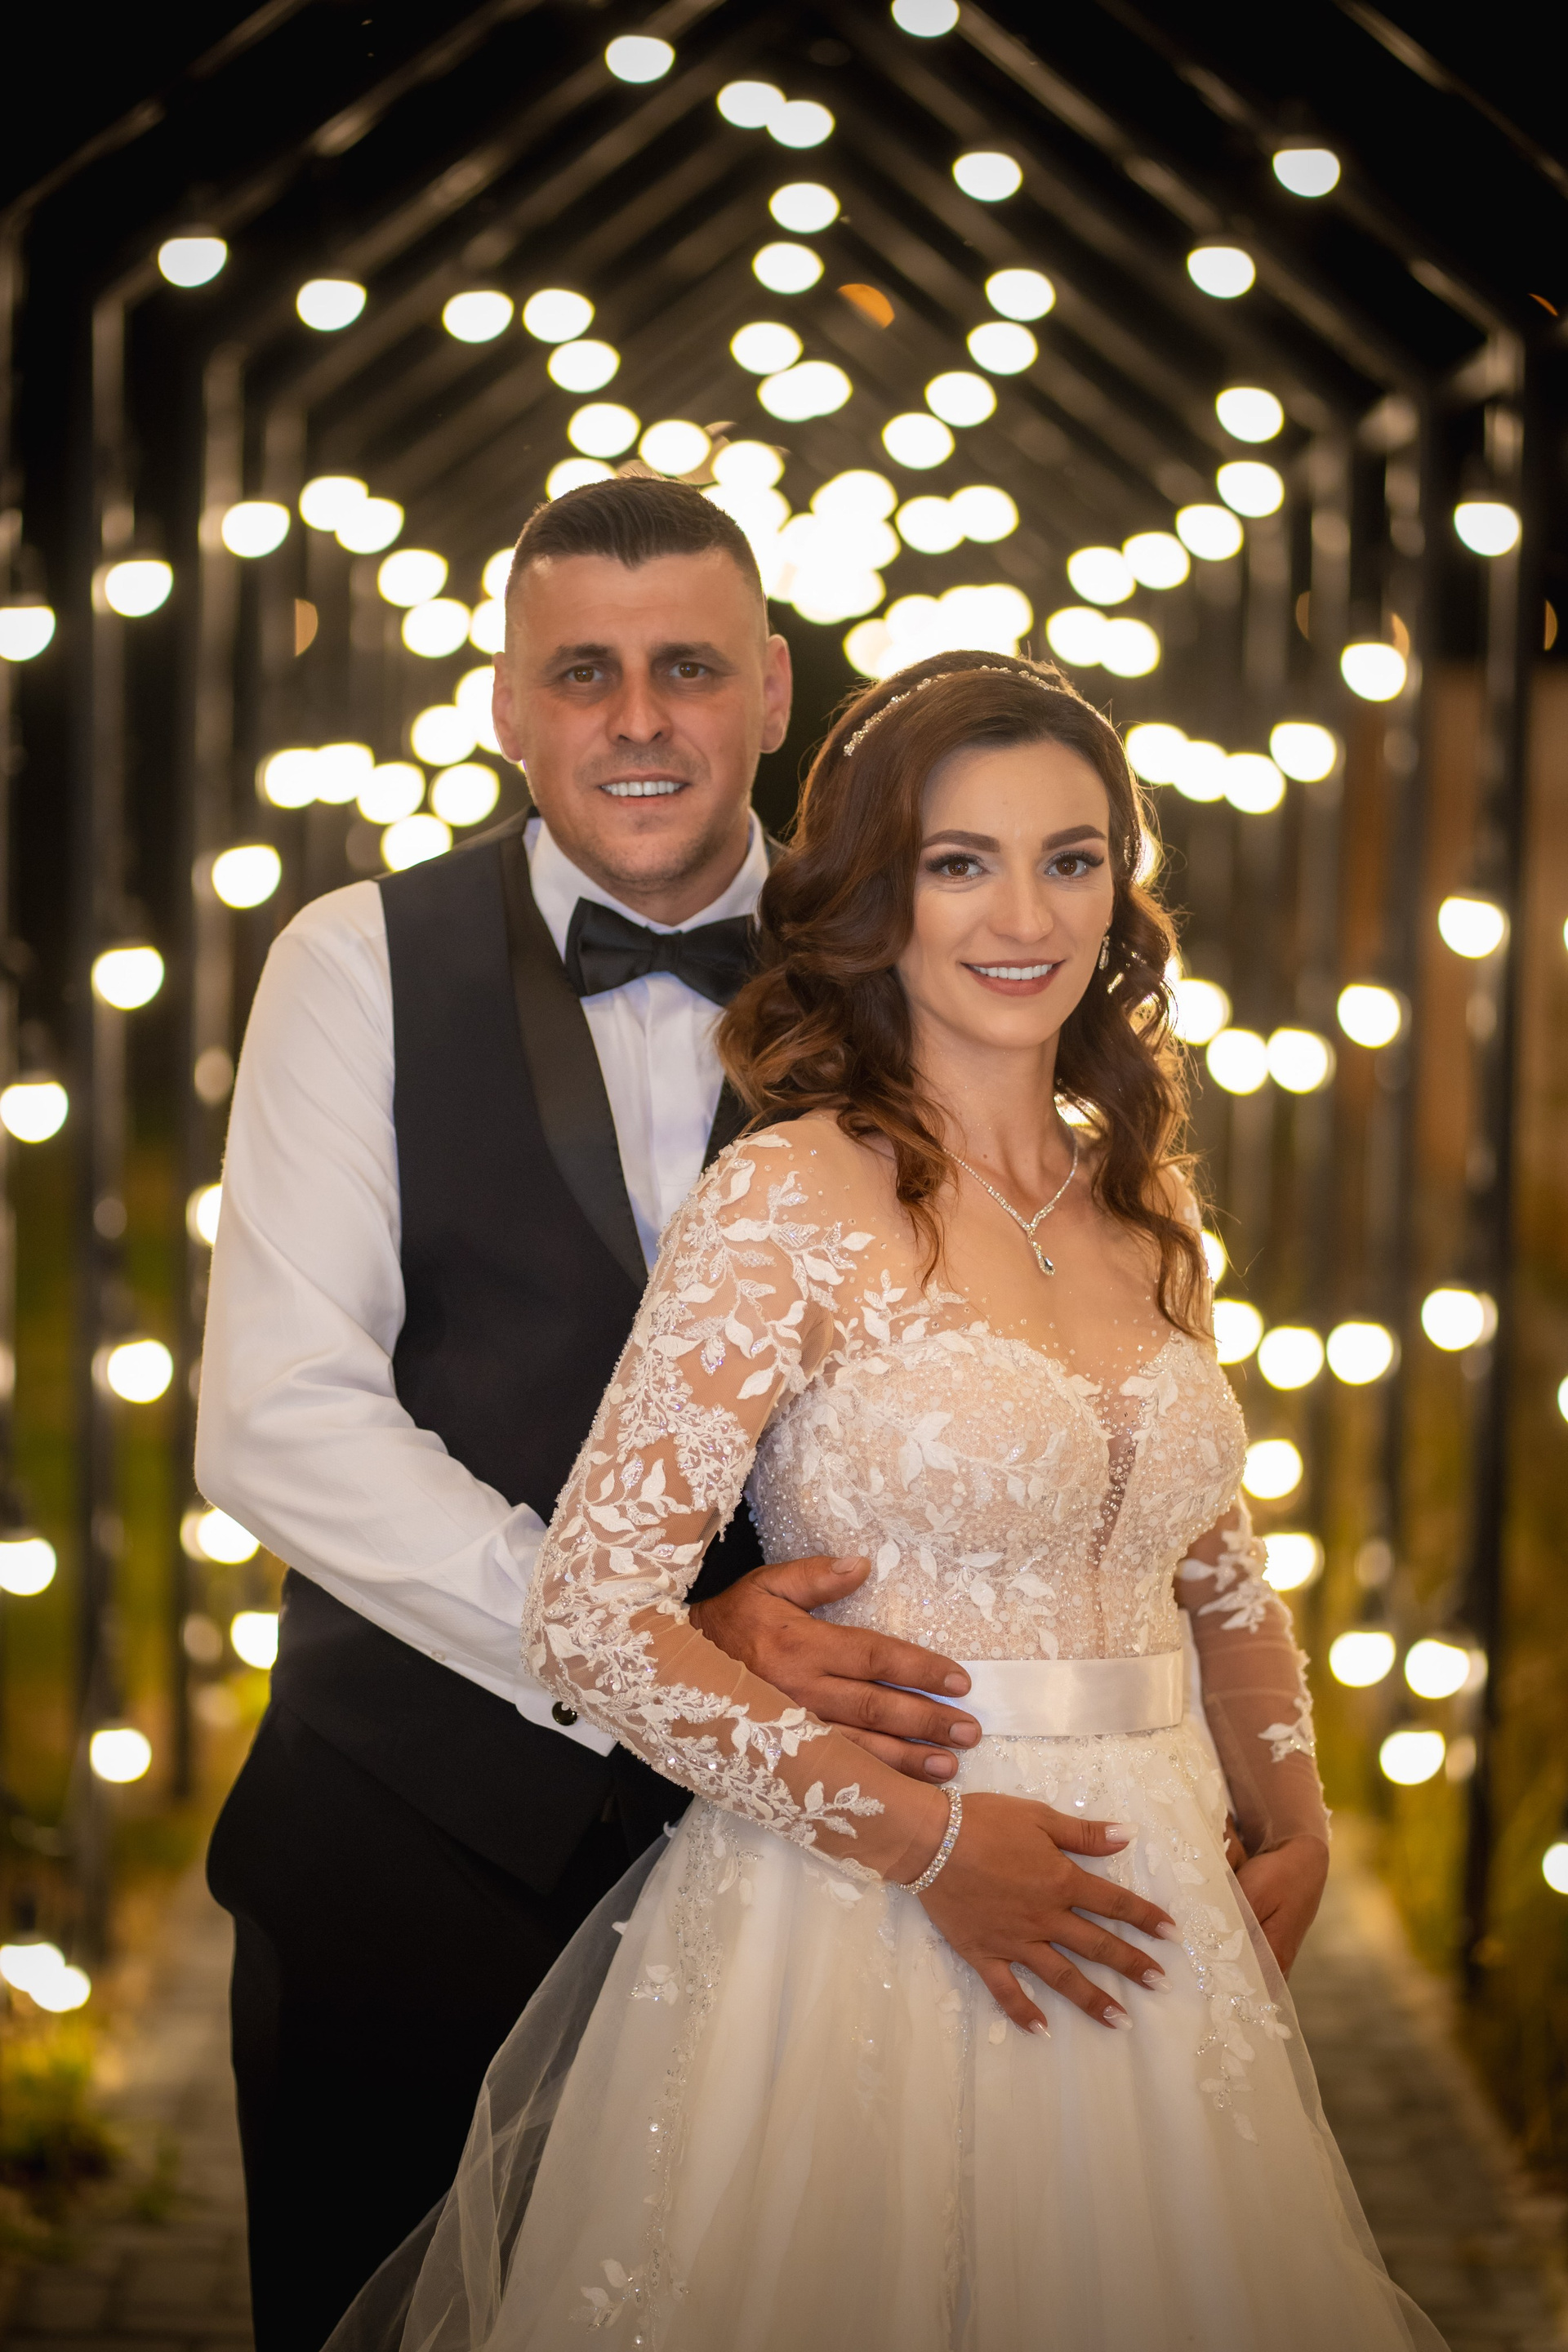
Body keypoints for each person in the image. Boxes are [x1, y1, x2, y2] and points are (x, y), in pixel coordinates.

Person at [332, 651, 1447, 2350]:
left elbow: (1212, 1570)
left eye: (1071, 859)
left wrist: (1293, 1818)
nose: (1025, 914)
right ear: (877, 897)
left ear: (1119, 895)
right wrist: (928, 1847)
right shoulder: (787, 1198)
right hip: (868, 1910)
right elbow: (595, 1618)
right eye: (960, 861)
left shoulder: (1143, 1206)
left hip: (1154, 1917)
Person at [198, 479, 1055, 2349]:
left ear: (775, 690)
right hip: (408, 1848)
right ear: (508, 702)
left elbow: (1060, 1327)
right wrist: (645, 1645)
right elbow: (278, 1416)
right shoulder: (353, 963)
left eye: (689, 669)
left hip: (818, 1872)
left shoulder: (916, 963)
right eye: (583, 672)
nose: (638, 719)